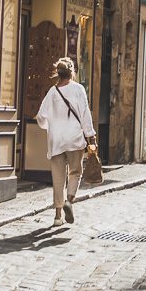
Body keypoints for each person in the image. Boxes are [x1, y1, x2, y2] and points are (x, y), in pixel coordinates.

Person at [36, 56, 97, 227]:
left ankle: (57, 216)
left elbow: (41, 117)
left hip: (56, 140)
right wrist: (91, 135)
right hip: (74, 139)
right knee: (75, 172)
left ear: (58, 73)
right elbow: (85, 114)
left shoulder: (52, 92)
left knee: (57, 178)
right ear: (72, 73)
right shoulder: (78, 89)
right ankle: (69, 201)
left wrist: (50, 126)